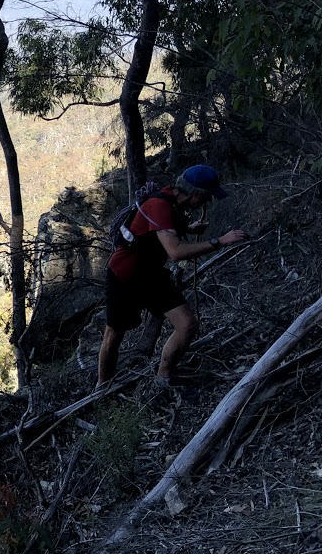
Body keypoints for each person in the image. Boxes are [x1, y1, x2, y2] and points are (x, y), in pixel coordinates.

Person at [96, 165, 248, 390]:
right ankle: (102, 387)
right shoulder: (159, 204)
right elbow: (175, 252)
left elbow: (166, 225)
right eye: (206, 198)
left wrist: (190, 227)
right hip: (124, 277)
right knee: (113, 336)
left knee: (187, 325)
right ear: (195, 193)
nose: (206, 204)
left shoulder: (172, 200)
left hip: (151, 275)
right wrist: (219, 242)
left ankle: (162, 380)